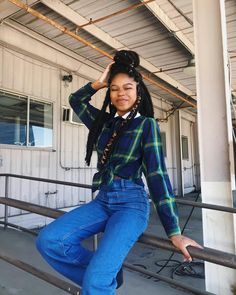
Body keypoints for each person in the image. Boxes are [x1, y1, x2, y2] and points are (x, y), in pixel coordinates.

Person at [36, 50, 202, 294]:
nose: (121, 93)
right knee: (49, 241)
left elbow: (157, 176)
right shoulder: (103, 123)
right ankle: (105, 275)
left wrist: (174, 231)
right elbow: (75, 100)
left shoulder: (146, 125)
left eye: (127, 87)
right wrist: (99, 83)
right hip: (103, 200)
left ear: (138, 92)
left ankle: (100, 278)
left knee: (95, 283)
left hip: (130, 204)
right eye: (114, 89)